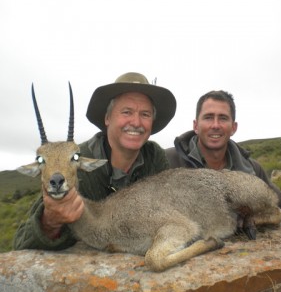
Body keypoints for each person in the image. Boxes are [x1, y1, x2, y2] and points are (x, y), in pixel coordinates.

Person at [13, 72, 177, 250]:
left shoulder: (155, 157)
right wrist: (50, 222)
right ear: (108, 118)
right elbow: (22, 243)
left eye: (145, 114)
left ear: (151, 122)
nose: (136, 122)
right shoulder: (73, 162)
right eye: (126, 112)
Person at [166, 90, 281, 215]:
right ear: (195, 125)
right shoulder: (168, 161)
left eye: (223, 118)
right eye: (208, 117)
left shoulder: (252, 169)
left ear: (233, 128)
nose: (215, 125)